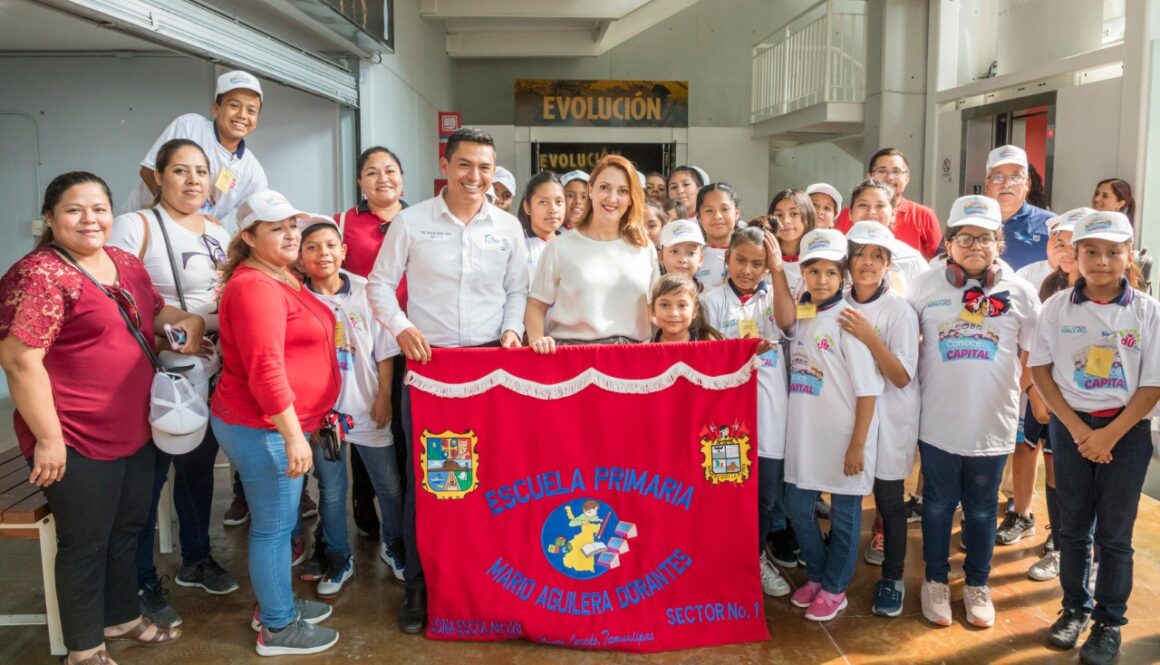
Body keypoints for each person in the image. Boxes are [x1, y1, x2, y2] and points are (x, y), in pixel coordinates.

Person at [0, 172, 206, 665]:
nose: (89, 219)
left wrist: (188, 321)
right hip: (73, 434)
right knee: (84, 543)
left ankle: (122, 617)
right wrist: (48, 439)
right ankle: (84, 647)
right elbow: (19, 359)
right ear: (50, 218)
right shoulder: (41, 275)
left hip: (135, 427)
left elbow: (153, 314)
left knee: (127, 529)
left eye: (99, 208)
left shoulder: (123, 262)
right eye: (74, 210)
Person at [367, 127, 529, 634]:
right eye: (465, 165)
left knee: (493, 481)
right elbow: (378, 286)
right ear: (446, 163)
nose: (475, 177)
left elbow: (517, 291)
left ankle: (486, 581)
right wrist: (403, 328)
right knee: (434, 483)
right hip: (432, 369)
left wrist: (510, 329)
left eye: (484, 167)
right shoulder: (412, 223)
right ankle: (420, 587)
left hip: (489, 368)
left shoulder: (506, 227)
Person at [107, 139, 238, 628]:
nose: (192, 181)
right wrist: (176, 328)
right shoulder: (136, 226)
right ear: (158, 177)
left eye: (201, 172)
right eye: (180, 171)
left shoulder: (220, 231)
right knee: (151, 476)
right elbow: (116, 296)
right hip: (160, 372)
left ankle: (197, 559)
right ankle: (141, 579)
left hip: (210, 368)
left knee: (198, 469)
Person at [211, 190, 342, 656]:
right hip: (263, 426)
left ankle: (274, 603)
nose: (290, 233)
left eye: (292, 224)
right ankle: (278, 627)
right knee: (272, 526)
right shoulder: (254, 288)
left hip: (275, 423)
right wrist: (291, 435)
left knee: (281, 521)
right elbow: (265, 368)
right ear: (248, 237)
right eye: (276, 227)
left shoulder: (279, 275)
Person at [1029, 211, 1158, 665]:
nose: (1101, 261)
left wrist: (1110, 436)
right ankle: (1073, 609)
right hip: (1071, 431)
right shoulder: (1056, 308)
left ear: (1128, 257)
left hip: (1127, 433)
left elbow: (1152, 384)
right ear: (1075, 256)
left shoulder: (1147, 312)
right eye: (1091, 252)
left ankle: (1108, 622)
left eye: (1112, 252)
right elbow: (1040, 369)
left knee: (1116, 536)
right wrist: (1079, 429)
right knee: (1072, 528)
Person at [907, 195, 1040, 629]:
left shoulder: (1019, 292)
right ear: (948, 243)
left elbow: (1035, 353)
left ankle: (978, 584)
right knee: (939, 505)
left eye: (985, 237)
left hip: (992, 425)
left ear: (999, 242)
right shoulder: (926, 286)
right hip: (938, 423)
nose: (975, 246)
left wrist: (1009, 393)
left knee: (983, 510)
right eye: (965, 237)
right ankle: (936, 581)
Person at [777, 228, 884, 623]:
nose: (822, 281)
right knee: (797, 506)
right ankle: (818, 574)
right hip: (805, 436)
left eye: (831, 273)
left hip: (844, 438)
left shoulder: (849, 322)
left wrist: (857, 444)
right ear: (802, 274)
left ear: (844, 278)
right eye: (814, 272)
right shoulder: (802, 313)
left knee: (844, 516)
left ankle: (835, 586)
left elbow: (868, 390)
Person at [298, 217, 405, 598]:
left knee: (389, 485)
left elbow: (385, 351)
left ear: (343, 251)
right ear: (300, 256)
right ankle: (339, 558)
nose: (322, 253)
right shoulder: (298, 297)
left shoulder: (365, 291)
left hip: (366, 406)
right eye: (312, 247)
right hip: (323, 415)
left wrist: (383, 396)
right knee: (331, 488)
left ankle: (394, 546)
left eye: (330, 245)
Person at [701, 226, 795, 599]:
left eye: (757, 263)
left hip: (770, 416)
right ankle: (722, 559)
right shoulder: (711, 300)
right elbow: (706, 354)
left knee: (765, 496)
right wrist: (740, 351)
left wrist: (777, 271)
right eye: (740, 260)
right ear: (727, 259)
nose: (747, 270)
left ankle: (754, 558)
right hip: (726, 420)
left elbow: (787, 322)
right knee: (726, 491)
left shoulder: (775, 295)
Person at [997, 208, 1092, 556]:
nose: (1064, 251)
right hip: (1034, 384)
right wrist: (1032, 390)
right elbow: (1030, 345)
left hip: (1071, 394)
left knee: (1058, 463)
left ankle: (1062, 531)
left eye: (1072, 244)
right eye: (1057, 242)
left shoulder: (1093, 289)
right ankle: (1021, 514)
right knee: (1025, 448)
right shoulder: (1038, 280)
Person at [837, 222, 920, 617]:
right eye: (860, 254)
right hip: (848, 417)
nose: (867, 263)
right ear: (848, 261)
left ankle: (893, 577)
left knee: (889, 501)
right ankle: (835, 575)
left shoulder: (899, 311)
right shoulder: (835, 301)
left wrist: (871, 336)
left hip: (891, 419)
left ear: (888, 264)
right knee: (848, 495)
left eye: (877, 256)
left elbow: (901, 375)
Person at [328, 146, 410, 543]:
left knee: (402, 424)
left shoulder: (418, 221)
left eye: (391, 170)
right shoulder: (342, 223)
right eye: (372, 172)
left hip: (412, 338)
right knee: (365, 421)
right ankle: (364, 500)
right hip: (360, 344)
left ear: (403, 178)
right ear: (360, 182)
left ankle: (403, 505)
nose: (383, 179)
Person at [526, 154, 659, 350]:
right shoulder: (560, 247)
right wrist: (537, 340)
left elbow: (656, 309)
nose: (612, 198)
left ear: (631, 198)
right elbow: (536, 305)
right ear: (590, 189)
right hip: (573, 357)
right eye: (604, 187)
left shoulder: (644, 247)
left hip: (633, 360)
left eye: (622, 191)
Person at [121, 71, 268, 233]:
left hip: (191, 237)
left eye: (251, 111)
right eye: (234, 106)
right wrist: (187, 216)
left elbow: (256, 218)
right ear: (216, 109)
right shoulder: (190, 126)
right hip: (142, 225)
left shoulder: (253, 171)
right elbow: (148, 171)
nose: (242, 115)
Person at [834, 148, 943, 260]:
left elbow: (940, 261)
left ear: (907, 177)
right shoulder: (848, 214)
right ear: (870, 176)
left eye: (896, 171)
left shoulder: (924, 215)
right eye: (882, 171)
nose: (889, 177)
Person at [845, 179, 928, 295]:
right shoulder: (835, 253)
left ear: (893, 214)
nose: (871, 212)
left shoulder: (911, 258)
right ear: (850, 213)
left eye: (880, 205)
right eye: (863, 205)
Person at [984, 145, 1054, 271]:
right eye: (998, 177)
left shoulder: (1050, 225)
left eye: (1015, 177)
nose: (1006, 184)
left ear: (1027, 184)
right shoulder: (968, 223)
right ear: (986, 183)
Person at [518, 170, 565, 280]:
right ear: (527, 207)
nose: (553, 210)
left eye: (558, 202)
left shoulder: (574, 245)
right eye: (543, 202)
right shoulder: (518, 245)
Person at [648, 273, 724, 342]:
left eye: (682, 305)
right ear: (653, 310)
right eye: (664, 305)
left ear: (694, 311)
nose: (673, 313)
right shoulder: (642, 351)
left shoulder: (709, 347)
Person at [695, 183, 742, 291]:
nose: (717, 216)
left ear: (737, 213)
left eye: (724, 209)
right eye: (709, 210)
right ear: (699, 217)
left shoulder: (750, 253)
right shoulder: (693, 255)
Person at [769, 189, 816, 295]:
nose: (786, 220)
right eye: (779, 215)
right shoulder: (764, 255)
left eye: (794, 213)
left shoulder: (817, 258)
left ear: (808, 217)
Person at [659, 218, 705, 284]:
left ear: (700, 259)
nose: (682, 260)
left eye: (691, 253)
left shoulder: (709, 293)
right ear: (661, 257)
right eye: (674, 251)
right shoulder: (651, 292)